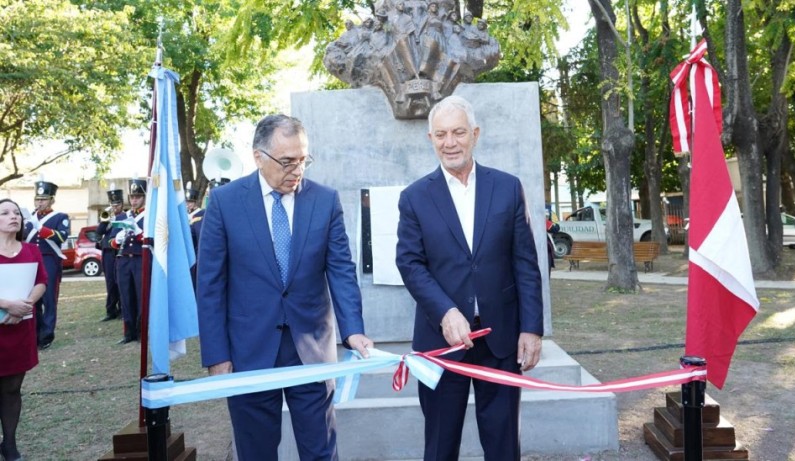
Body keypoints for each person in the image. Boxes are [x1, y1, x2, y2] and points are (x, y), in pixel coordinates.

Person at [196, 114, 374, 460]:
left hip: (311, 351)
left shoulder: (325, 201)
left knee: (320, 451)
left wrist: (353, 330)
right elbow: (210, 285)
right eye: (287, 161)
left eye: (303, 160)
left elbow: (341, 271)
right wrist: (217, 354)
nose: (297, 170)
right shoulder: (225, 202)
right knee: (256, 453)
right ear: (258, 156)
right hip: (249, 352)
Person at [395, 95, 543, 461]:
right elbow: (410, 264)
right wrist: (446, 312)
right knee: (441, 447)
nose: (450, 143)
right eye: (441, 134)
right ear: (430, 138)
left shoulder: (508, 187)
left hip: (502, 342)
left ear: (475, 134)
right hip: (442, 345)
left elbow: (526, 263)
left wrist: (532, 328)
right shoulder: (414, 198)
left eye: (458, 132)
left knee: (504, 446)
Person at [0, 198, 47, 461]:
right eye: (5, 213)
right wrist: (7, 304)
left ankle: (9, 444)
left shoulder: (31, 250)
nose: (13, 216)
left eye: (16, 212)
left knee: (12, 388)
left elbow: (42, 281)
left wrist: (26, 304)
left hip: (20, 329)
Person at [22, 180, 69, 350]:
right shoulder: (29, 219)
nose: (40, 202)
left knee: (49, 298)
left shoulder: (60, 217)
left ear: (51, 200)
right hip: (30, 260)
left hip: (49, 259)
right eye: (37, 199)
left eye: (44, 199)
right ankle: (35, 333)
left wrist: (40, 228)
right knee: (32, 298)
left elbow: (62, 237)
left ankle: (47, 335)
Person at [109, 179, 148, 345]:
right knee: (125, 297)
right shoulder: (123, 216)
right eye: (132, 197)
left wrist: (139, 232)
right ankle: (129, 332)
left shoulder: (149, 215)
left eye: (138, 197)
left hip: (140, 259)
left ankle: (142, 332)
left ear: (144, 197)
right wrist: (116, 240)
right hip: (123, 261)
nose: (134, 200)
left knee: (141, 296)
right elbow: (110, 241)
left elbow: (154, 240)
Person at [95, 185, 124, 322]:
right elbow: (99, 232)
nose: (114, 207)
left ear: (122, 204)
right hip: (107, 252)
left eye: (117, 204)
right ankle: (111, 310)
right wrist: (104, 220)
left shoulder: (125, 216)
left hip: (119, 251)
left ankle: (123, 309)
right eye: (112, 204)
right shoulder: (107, 217)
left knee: (121, 281)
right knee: (110, 282)